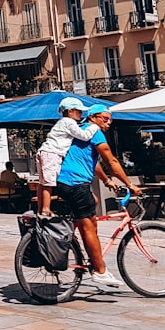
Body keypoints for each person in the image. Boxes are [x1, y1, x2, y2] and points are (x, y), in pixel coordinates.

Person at [55, 105, 140, 289]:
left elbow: (93, 163)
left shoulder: (82, 132)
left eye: (111, 120)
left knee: (92, 201)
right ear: (93, 117)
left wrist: (107, 181)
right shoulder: (95, 133)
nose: (109, 123)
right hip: (75, 183)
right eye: (106, 118)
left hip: (65, 182)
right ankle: (99, 271)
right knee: (90, 227)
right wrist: (130, 184)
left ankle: (76, 240)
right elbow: (112, 161)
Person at [35, 96, 100, 216]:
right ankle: (45, 209)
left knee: (43, 182)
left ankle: (40, 209)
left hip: (45, 152)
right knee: (49, 183)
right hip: (52, 153)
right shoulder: (69, 122)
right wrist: (95, 127)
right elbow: (84, 136)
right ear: (70, 111)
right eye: (79, 111)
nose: (81, 114)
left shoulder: (61, 123)